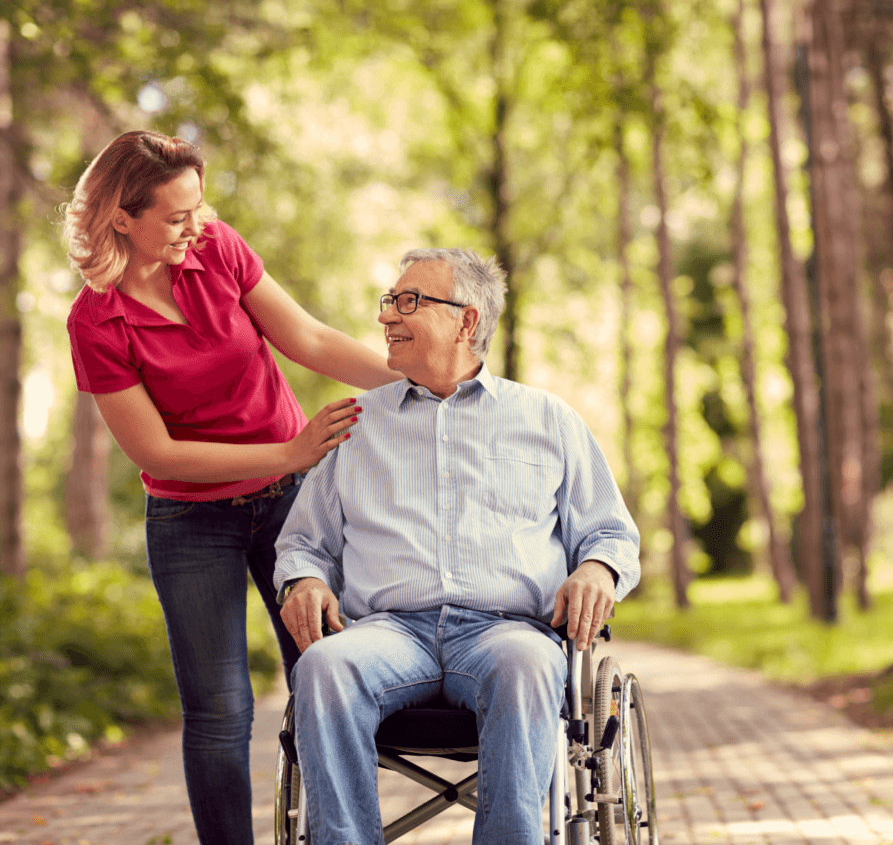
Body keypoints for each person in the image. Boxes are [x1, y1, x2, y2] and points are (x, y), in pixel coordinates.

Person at [62, 130, 402, 845]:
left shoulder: (216, 247)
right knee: (220, 710)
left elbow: (306, 337)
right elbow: (155, 451)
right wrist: (290, 449)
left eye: (199, 205)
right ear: (122, 217)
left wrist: (418, 380)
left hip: (290, 505)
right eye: (177, 214)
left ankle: (341, 834)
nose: (199, 222)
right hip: (191, 522)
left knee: (328, 674)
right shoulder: (96, 321)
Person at [274, 247, 641, 844]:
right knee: (323, 667)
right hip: (389, 632)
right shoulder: (356, 424)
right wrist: (306, 579)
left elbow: (610, 531)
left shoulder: (547, 420)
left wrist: (598, 568)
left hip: (506, 631)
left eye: (408, 301)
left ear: (466, 320)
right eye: (389, 300)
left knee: (525, 665)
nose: (386, 316)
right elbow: (304, 543)